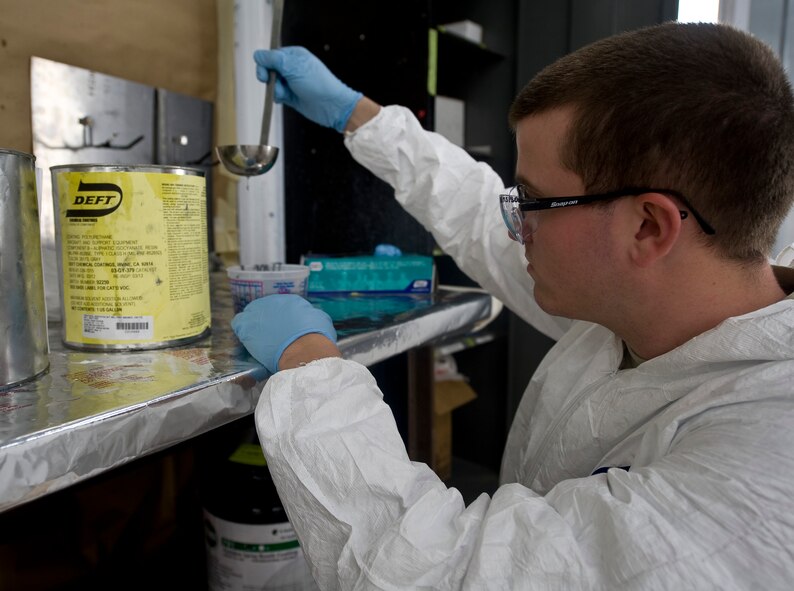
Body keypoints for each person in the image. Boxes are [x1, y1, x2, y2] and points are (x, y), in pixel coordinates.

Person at [231, 22, 794, 589]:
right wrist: (358, 114)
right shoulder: (647, 300)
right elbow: (477, 214)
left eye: (531, 200)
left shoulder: (766, 470)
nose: (516, 224)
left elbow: (433, 574)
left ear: (648, 226)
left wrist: (311, 367)